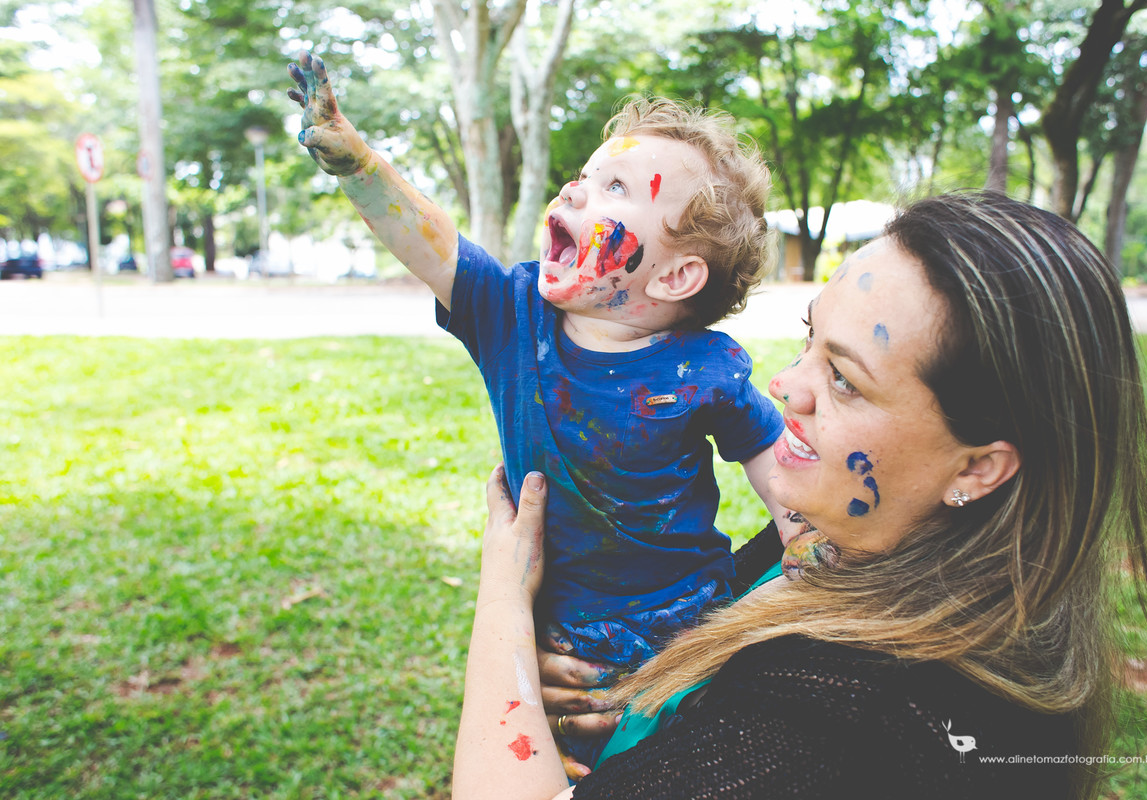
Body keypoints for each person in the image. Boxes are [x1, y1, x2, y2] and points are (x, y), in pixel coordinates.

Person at [450, 191, 1147, 799]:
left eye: (844, 379)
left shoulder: (835, 723)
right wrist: (624, 684)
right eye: (810, 339)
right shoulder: (831, 547)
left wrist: (505, 596)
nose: (786, 385)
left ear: (977, 469)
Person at [286, 52, 798, 763]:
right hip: (559, 631)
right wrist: (360, 166)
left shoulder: (705, 368)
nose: (575, 188)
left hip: (687, 624)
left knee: (666, 764)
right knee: (569, 758)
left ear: (677, 275)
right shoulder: (510, 315)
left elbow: (769, 456)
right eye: (584, 175)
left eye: (614, 186)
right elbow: (431, 244)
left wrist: (802, 541)